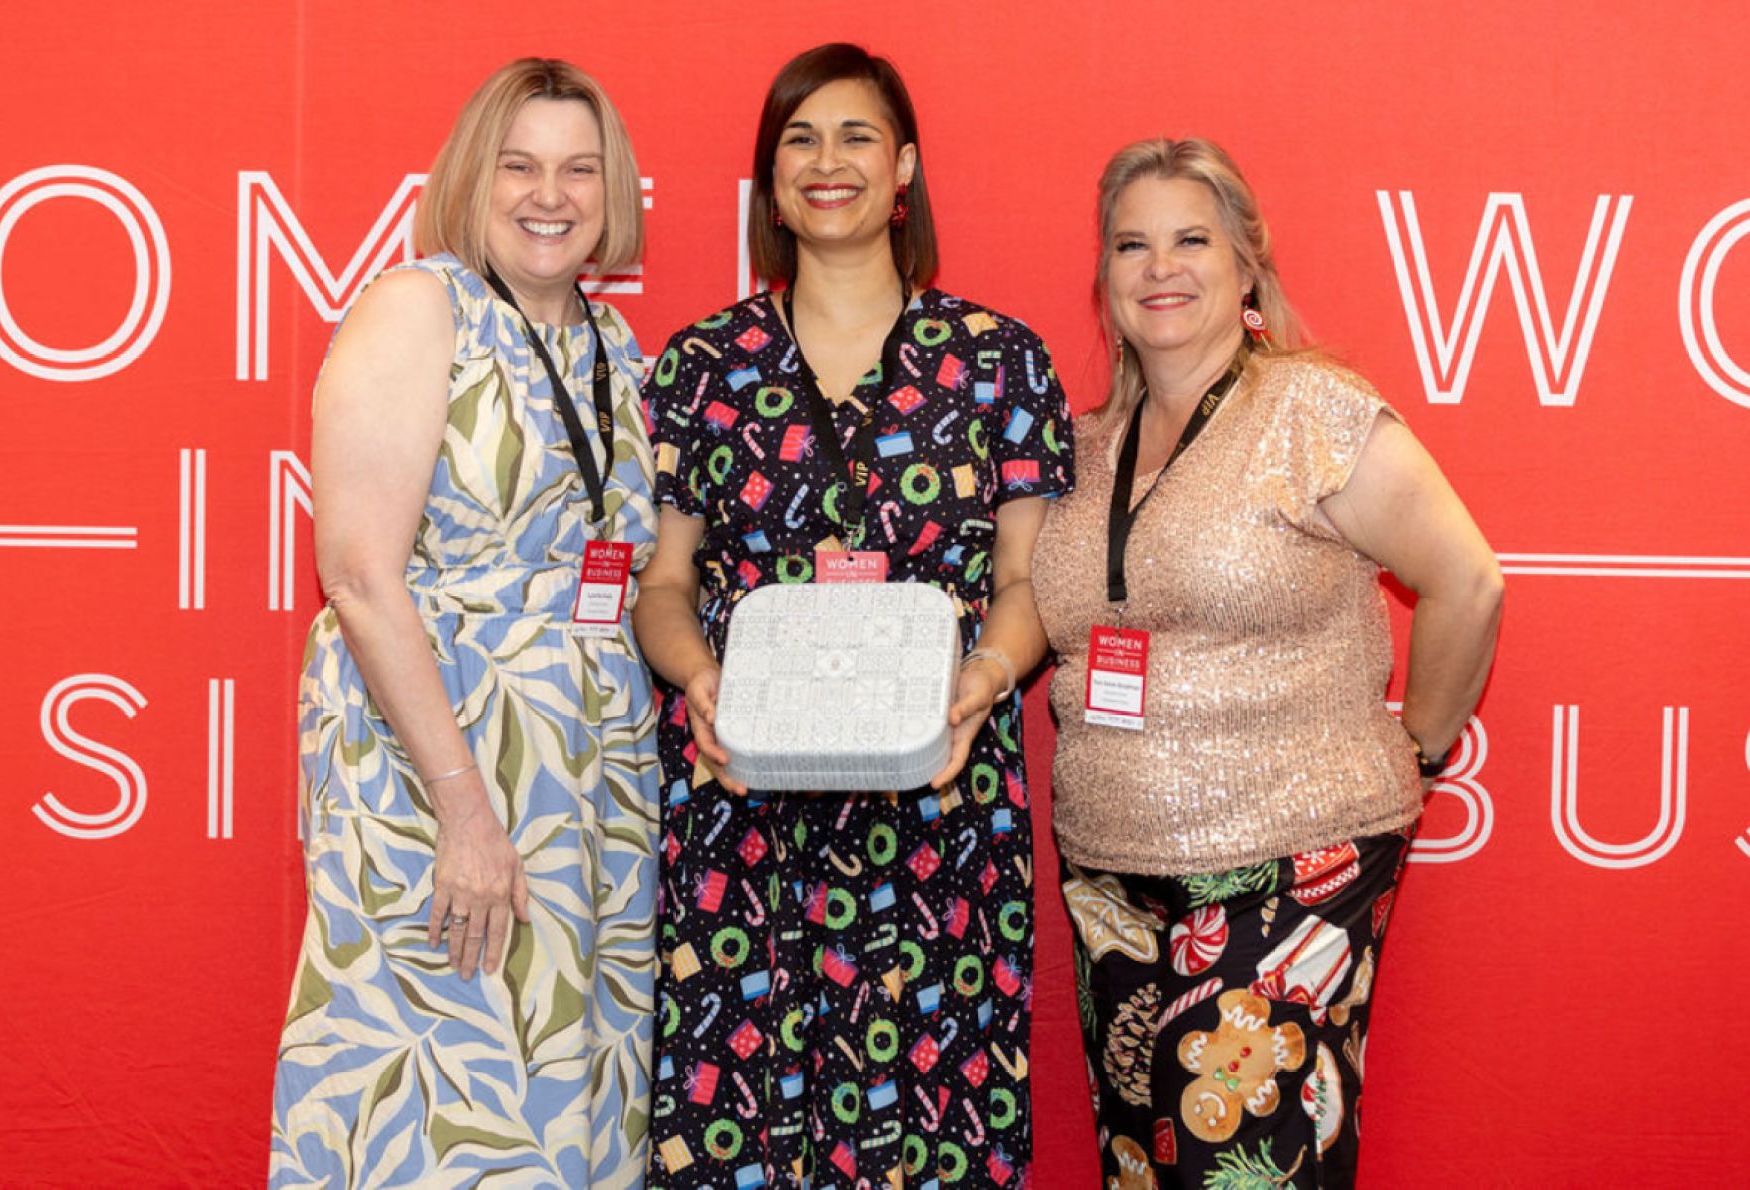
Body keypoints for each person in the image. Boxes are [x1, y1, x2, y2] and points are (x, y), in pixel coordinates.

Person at [635, 43, 1073, 1189]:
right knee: (740, 1138)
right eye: (800, 139)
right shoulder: (701, 366)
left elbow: (1029, 584)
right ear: (771, 181)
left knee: (934, 1137)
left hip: (938, 809)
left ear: (905, 167)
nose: (827, 162)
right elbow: (664, 585)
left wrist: (984, 680)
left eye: (856, 137)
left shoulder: (999, 361)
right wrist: (696, 677)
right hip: (743, 819)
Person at [1032, 138, 1503, 1188]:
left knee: (1240, 1165)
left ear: (1246, 264)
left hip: (1289, 865)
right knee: (1142, 1167)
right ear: (1105, 276)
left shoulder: (1311, 410)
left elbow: (1468, 581)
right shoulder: (1084, 446)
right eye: (1131, 245)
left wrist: (1418, 750)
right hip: (1109, 878)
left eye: (1192, 240)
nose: (1161, 267)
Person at [270, 59, 660, 1188]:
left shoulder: (613, 344)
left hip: (587, 781)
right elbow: (358, 574)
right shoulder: (417, 308)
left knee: (563, 1090)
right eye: (518, 166)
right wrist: (465, 810)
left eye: (578, 169)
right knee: (439, 1087)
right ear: (470, 179)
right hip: (442, 765)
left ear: (612, 191)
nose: (550, 195)